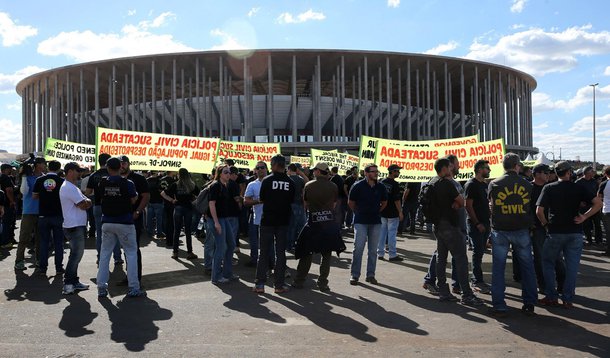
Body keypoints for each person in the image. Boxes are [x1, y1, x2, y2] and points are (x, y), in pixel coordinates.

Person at [537, 161, 602, 308]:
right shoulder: (579, 187)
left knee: (547, 263)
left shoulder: (549, 188)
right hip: (575, 232)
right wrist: (584, 217)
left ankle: (551, 296)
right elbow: (598, 203)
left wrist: (546, 224)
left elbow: (539, 211)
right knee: (572, 267)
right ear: (569, 173)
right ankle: (567, 298)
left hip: (555, 231)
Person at [426, 158, 483, 306]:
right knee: (461, 259)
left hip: (438, 225)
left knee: (441, 259)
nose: (451, 169)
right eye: (449, 167)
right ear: (444, 169)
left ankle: (444, 292)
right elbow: (462, 201)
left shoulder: (431, 182)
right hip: (451, 225)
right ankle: (467, 294)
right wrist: (457, 204)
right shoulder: (446, 184)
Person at [488, 153, 536, 316]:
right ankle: (529, 303)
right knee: (527, 267)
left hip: (500, 230)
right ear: (517, 166)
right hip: (521, 229)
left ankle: (499, 305)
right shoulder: (527, 185)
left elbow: (492, 208)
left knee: (498, 268)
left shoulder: (494, 184)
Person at [97, 157, 145, 298]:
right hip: (125, 222)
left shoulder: (102, 182)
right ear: (120, 167)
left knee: (105, 255)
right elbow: (133, 199)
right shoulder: (128, 183)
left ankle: (101, 287)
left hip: (107, 222)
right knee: (131, 254)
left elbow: (100, 198)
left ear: (107, 168)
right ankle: (134, 287)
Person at [293, 162, 344, 292]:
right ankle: (323, 283)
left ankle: (299, 280)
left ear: (318, 172)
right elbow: (334, 205)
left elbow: (305, 204)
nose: (313, 172)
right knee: (326, 254)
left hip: (313, 222)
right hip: (328, 223)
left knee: (306, 252)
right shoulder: (333, 186)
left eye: (315, 170)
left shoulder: (309, 185)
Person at [253, 155, 295, 294]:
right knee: (280, 253)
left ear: (276, 165)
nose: (270, 167)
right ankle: (279, 285)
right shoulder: (290, 182)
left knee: (263, 252)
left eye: (271, 164)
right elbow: (292, 200)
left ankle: (260, 284)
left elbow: (262, 198)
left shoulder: (267, 180)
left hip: (267, 221)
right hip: (283, 221)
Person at [348, 163, 387, 285]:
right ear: (366, 173)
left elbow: (384, 202)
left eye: (377, 171)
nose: (376, 173)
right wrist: (358, 212)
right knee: (358, 249)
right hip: (360, 221)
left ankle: (370, 275)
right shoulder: (357, 186)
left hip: (375, 221)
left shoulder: (381, 186)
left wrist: (377, 211)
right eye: (373, 171)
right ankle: (355, 275)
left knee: (373, 251)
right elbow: (351, 202)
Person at [530, 163, 565, 293]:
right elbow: (526, 208)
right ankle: (543, 285)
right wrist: (530, 224)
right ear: (537, 174)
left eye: (549, 173)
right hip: (537, 228)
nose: (548, 175)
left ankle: (562, 284)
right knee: (539, 258)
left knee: (557, 258)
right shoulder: (528, 188)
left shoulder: (550, 187)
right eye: (545, 172)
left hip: (551, 228)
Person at [59, 162, 93, 295]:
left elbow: (85, 201)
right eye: (78, 171)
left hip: (74, 225)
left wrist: (87, 201)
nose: (80, 173)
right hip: (74, 226)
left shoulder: (71, 186)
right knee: (76, 255)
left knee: (76, 255)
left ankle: (73, 281)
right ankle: (68, 283)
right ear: (70, 171)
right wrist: (87, 201)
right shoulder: (69, 187)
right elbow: (83, 204)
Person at [85, 153, 122, 265]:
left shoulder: (93, 175)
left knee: (100, 233)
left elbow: (87, 192)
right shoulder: (114, 174)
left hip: (98, 206)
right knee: (115, 232)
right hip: (113, 206)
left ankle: (100, 257)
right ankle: (117, 257)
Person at [207, 164, 241, 285]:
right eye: (226, 172)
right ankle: (216, 277)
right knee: (221, 248)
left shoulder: (225, 185)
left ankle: (227, 273)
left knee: (231, 244)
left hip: (224, 218)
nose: (229, 174)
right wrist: (216, 222)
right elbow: (211, 204)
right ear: (220, 174)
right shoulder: (216, 185)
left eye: (229, 172)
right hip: (217, 220)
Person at [119, 155, 150, 282]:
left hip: (134, 218)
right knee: (125, 248)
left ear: (128, 164)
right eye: (120, 164)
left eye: (124, 163)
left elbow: (146, 196)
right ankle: (129, 275)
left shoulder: (138, 178)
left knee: (134, 248)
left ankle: (136, 277)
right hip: (121, 218)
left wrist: (138, 211)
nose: (122, 166)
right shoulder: (116, 179)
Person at [32, 160, 65, 276]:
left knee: (44, 242)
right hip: (58, 215)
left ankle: (42, 268)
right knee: (58, 243)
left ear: (48, 167)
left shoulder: (39, 180)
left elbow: (34, 196)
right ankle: (59, 268)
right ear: (59, 169)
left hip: (43, 215)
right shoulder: (62, 181)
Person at [464, 159, 492, 294]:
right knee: (478, 251)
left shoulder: (484, 184)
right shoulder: (471, 184)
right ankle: (476, 280)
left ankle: (478, 279)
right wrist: (477, 223)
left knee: (481, 252)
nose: (489, 170)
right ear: (480, 169)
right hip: (476, 224)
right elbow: (468, 205)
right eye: (487, 168)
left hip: (485, 222)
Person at [161, 168, 200, 260]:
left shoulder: (175, 184)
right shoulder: (192, 185)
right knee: (188, 231)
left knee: (177, 231)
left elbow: (163, 193)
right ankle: (190, 252)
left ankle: (175, 252)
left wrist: (172, 200)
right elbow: (200, 195)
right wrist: (194, 202)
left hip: (178, 208)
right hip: (188, 208)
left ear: (179, 175)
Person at [14, 157, 45, 270]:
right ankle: (19, 261)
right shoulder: (28, 177)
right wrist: (24, 176)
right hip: (28, 211)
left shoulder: (44, 178)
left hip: (41, 211)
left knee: (40, 238)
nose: (45, 165)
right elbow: (24, 191)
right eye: (43, 163)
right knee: (24, 238)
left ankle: (39, 260)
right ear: (37, 165)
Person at [377, 164, 404, 261]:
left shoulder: (381, 182)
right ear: (392, 172)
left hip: (382, 211)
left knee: (382, 233)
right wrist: (400, 212)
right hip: (392, 212)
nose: (399, 173)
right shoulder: (395, 184)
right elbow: (397, 200)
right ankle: (392, 254)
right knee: (392, 234)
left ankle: (380, 253)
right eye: (397, 171)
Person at [243, 161, 268, 267]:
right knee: (253, 240)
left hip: (269, 217)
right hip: (255, 216)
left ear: (267, 169)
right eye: (258, 168)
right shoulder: (252, 184)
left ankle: (268, 262)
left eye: (262, 167)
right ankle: (254, 259)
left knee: (268, 242)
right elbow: (246, 201)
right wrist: (259, 201)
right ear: (255, 171)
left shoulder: (272, 182)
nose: (260, 169)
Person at [575, 166, 603, 246]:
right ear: (587, 172)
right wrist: (579, 202)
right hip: (584, 206)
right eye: (592, 171)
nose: (593, 172)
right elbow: (575, 194)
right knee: (586, 224)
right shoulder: (578, 182)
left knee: (597, 223)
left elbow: (598, 192)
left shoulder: (594, 181)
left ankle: (599, 240)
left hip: (594, 206)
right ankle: (589, 239)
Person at [287, 163, 308, 252]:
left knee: (291, 226)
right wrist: (304, 205)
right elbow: (303, 193)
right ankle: (300, 244)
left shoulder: (287, 179)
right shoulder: (300, 179)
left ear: (290, 170)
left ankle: (289, 245)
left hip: (290, 204)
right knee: (301, 226)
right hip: (299, 204)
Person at [0, 163, 17, 249]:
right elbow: (9, 190)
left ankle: (6, 240)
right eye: (10, 169)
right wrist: (12, 201)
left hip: (2, 203)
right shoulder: (6, 178)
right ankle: (5, 242)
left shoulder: (1, 177)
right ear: (6, 169)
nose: (11, 170)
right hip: (7, 203)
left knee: (4, 223)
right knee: (7, 223)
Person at [159, 171, 177, 246]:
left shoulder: (161, 180)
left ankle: (168, 239)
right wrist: (172, 199)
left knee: (167, 221)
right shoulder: (173, 181)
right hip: (172, 203)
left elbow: (160, 190)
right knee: (171, 222)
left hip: (165, 202)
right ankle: (170, 240)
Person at [146, 171, 165, 238]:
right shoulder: (159, 180)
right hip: (158, 201)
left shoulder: (147, 180)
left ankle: (149, 232)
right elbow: (162, 190)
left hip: (150, 201)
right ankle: (159, 232)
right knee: (159, 219)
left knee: (149, 218)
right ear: (156, 173)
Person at [598, 166, 610, 257]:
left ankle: (609, 250)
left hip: (607, 210)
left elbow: (598, 197)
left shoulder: (604, 184)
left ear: (605, 174)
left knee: (608, 232)